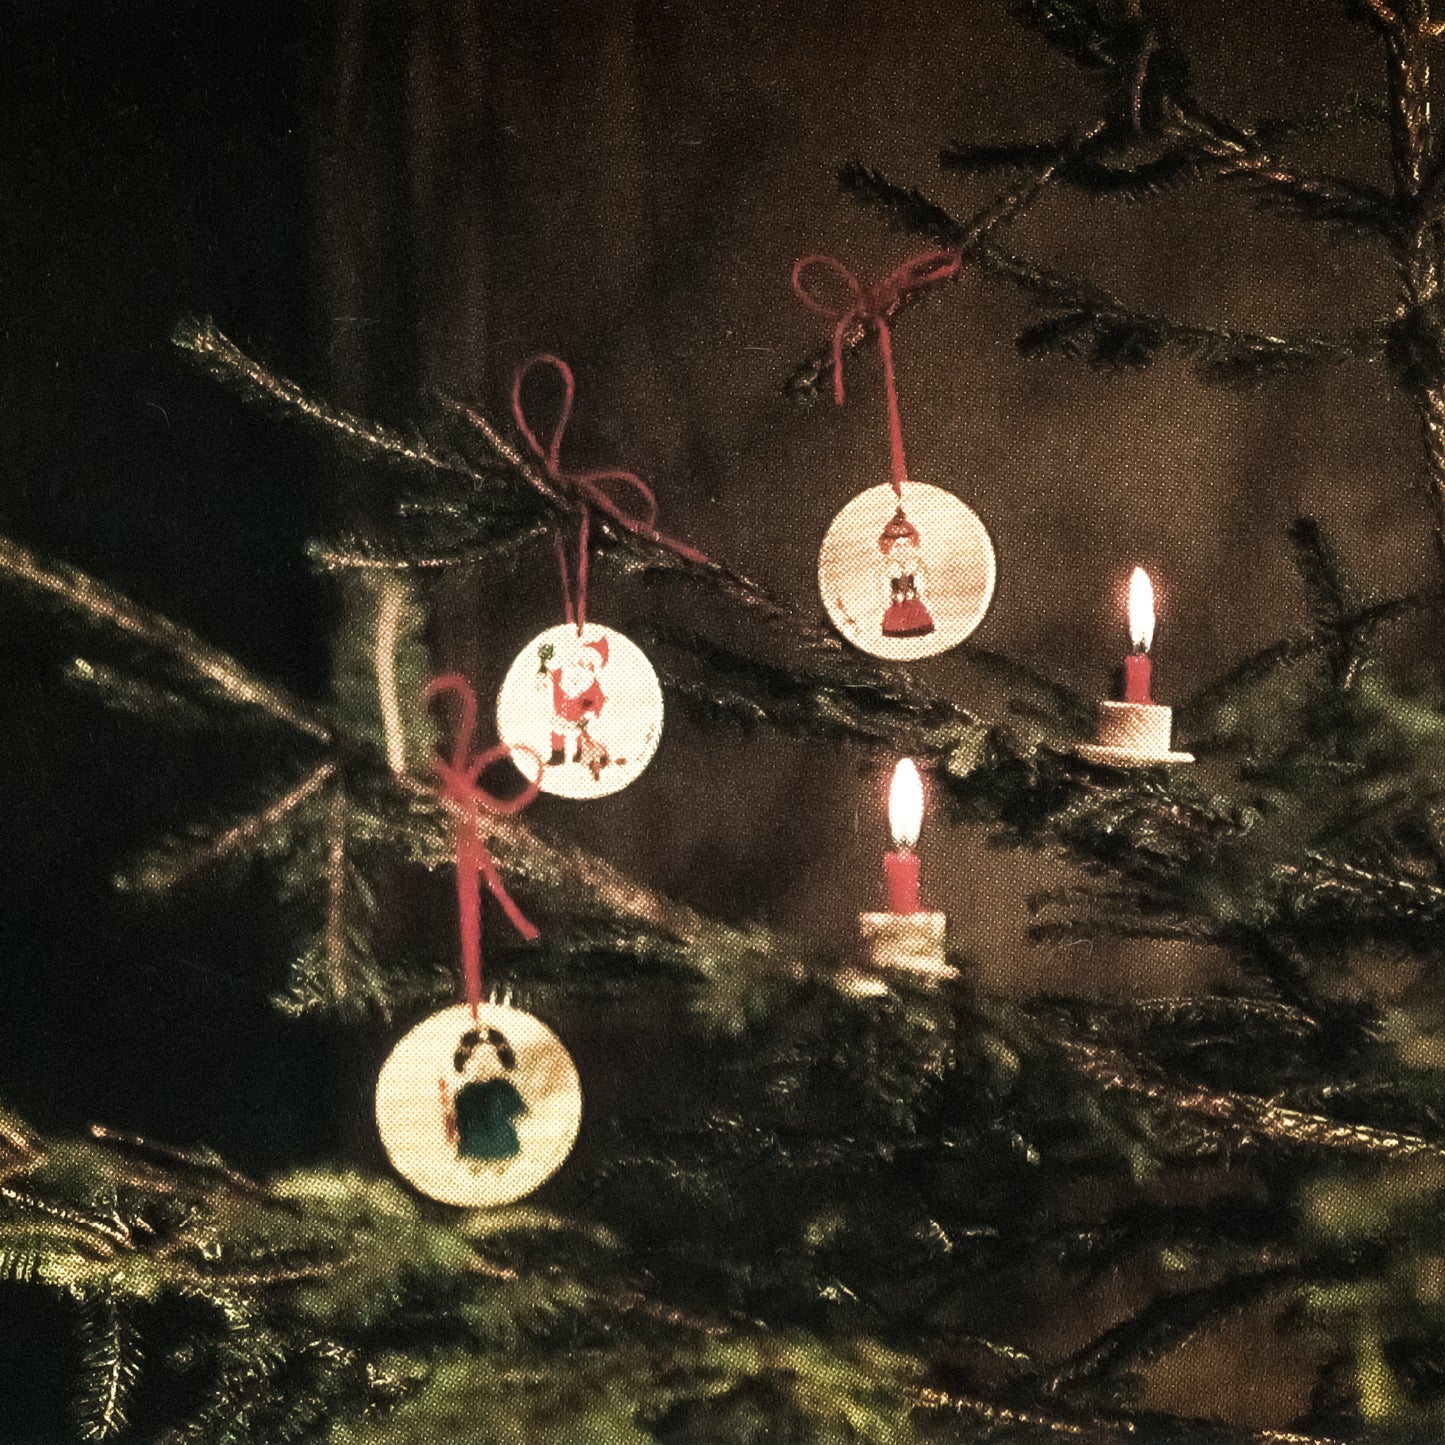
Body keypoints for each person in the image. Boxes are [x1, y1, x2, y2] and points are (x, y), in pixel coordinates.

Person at [878, 507, 935, 638]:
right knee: (896, 615)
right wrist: (890, 596)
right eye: (897, 546)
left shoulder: (914, 565)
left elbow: (921, 582)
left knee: (916, 611)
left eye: (906, 546)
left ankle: (920, 629)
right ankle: (895, 631)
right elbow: (885, 586)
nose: (902, 550)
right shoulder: (888, 568)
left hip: (912, 598)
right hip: (897, 601)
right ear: (888, 548)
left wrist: (918, 591)